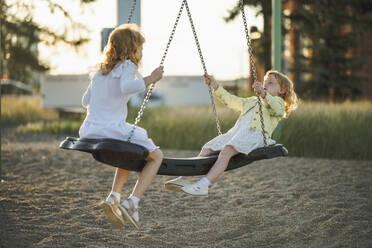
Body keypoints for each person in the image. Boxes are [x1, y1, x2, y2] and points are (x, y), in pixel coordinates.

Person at [79, 24, 164, 229]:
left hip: (89, 129)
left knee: (127, 151)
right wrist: (151, 78)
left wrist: (105, 101)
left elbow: (85, 101)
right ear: (130, 49)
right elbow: (126, 87)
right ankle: (132, 201)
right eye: (140, 49)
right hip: (111, 128)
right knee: (156, 157)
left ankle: (114, 197)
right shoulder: (127, 66)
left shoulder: (101, 70)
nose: (141, 53)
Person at [164, 71, 298, 196]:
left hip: (255, 135)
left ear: (282, 90)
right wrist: (215, 86)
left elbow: (277, 109)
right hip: (237, 133)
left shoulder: (279, 103)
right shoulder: (252, 101)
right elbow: (231, 101)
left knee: (227, 151)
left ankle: (203, 185)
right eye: (264, 82)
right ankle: (186, 178)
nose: (265, 85)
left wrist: (263, 94)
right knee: (208, 147)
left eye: (270, 82)